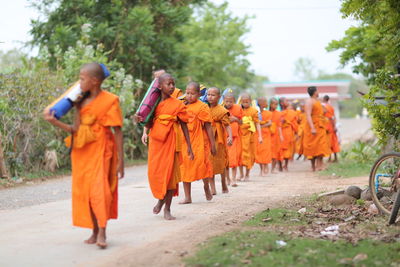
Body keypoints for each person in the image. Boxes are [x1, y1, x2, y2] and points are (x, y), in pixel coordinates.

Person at [43, 63, 124, 249]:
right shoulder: (80, 102)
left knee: (100, 190)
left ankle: (103, 231)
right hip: (82, 150)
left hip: (102, 149)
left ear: (94, 81)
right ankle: (94, 230)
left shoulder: (110, 100)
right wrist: (54, 122)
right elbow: (75, 129)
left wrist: (121, 161)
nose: (78, 83)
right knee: (86, 192)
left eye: (81, 78)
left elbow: (118, 131)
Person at [141, 73, 193, 220]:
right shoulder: (153, 104)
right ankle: (160, 200)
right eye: (168, 84)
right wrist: (141, 124)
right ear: (160, 86)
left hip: (171, 144)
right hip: (157, 144)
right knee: (156, 174)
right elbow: (148, 122)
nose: (172, 86)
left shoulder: (177, 104)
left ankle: (167, 209)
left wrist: (189, 146)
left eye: (173, 84)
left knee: (170, 177)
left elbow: (184, 126)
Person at [180, 82, 216, 204]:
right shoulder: (182, 105)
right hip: (185, 141)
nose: (189, 96)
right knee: (184, 168)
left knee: (202, 165)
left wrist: (213, 144)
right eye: (187, 93)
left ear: (199, 94)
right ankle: (187, 197)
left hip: (198, 142)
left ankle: (206, 187)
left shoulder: (202, 107)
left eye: (192, 93)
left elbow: (208, 126)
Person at [207, 87, 233, 194]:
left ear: (218, 97)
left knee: (221, 162)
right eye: (208, 94)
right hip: (208, 138)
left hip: (219, 139)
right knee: (209, 162)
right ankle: (212, 187)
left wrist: (230, 136)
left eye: (213, 95)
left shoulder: (222, 110)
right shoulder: (205, 108)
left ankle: (223, 183)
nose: (210, 97)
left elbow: (227, 125)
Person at [303, 86, 330, 171]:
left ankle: (320, 165)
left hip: (320, 125)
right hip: (313, 126)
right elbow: (308, 115)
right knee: (312, 146)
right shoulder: (309, 101)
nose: (319, 92)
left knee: (321, 146)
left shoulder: (317, 102)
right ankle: (313, 166)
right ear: (315, 92)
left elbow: (323, 111)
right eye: (318, 91)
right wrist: (312, 127)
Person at [239, 93, 262, 180]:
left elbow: (257, 124)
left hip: (250, 136)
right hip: (240, 135)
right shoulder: (239, 110)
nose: (245, 104)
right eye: (243, 102)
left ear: (250, 101)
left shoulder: (253, 111)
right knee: (240, 155)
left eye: (247, 102)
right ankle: (241, 174)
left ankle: (247, 174)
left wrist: (260, 136)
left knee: (249, 155)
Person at [224, 93, 243, 187]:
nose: (228, 103)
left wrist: (235, 119)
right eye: (226, 101)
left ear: (234, 101)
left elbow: (241, 122)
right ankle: (227, 179)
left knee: (234, 159)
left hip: (235, 138)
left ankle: (233, 179)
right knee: (226, 160)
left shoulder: (238, 108)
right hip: (224, 138)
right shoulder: (221, 109)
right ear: (223, 100)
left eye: (230, 101)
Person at [255, 97, 272, 176]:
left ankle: (266, 167)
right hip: (258, 134)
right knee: (259, 152)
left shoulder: (268, 113)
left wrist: (261, 125)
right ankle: (261, 169)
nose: (266, 103)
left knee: (266, 151)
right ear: (261, 103)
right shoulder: (256, 113)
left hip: (266, 135)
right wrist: (263, 125)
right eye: (265, 101)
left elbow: (270, 124)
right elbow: (255, 123)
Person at [280, 97, 298, 171]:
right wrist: (281, 121)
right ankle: (280, 165)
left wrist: (296, 132)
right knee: (280, 149)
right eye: (286, 101)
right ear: (281, 103)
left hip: (288, 131)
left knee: (288, 148)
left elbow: (295, 122)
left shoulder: (292, 112)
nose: (287, 102)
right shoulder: (279, 113)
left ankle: (286, 165)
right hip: (281, 132)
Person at [322, 95, 340, 162]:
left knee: (329, 142)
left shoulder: (324, 107)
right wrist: (335, 126)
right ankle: (335, 157)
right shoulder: (331, 107)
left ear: (324, 99)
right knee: (334, 142)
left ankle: (330, 157)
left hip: (327, 126)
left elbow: (326, 117)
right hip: (332, 126)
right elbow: (333, 117)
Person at [269, 98, 284, 173]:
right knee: (269, 152)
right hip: (268, 135)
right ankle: (267, 167)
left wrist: (281, 135)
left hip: (276, 135)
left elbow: (279, 126)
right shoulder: (267, 113)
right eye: (273, 104)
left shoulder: (279, 113)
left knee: (275, 152)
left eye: (276, 104)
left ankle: (273, 168)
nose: (274, 105)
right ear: (270, 104)